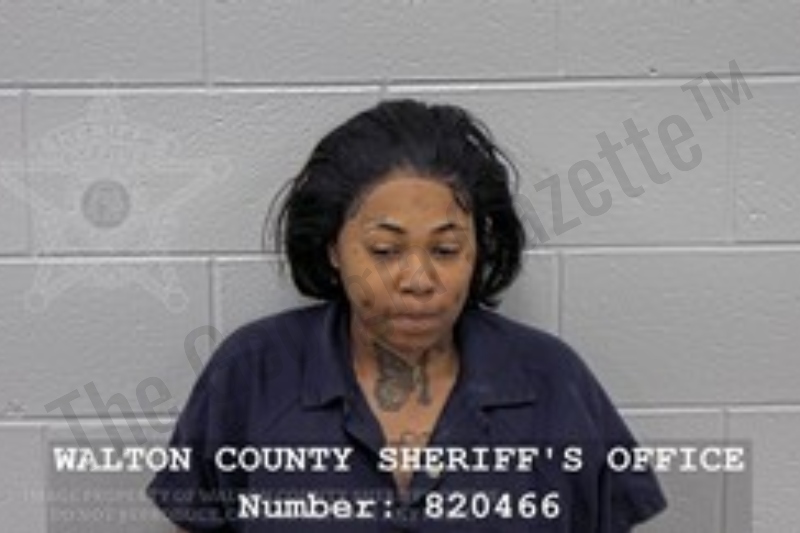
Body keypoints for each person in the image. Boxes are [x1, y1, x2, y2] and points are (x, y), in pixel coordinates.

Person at [146, 98, 668, 532]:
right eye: (384, 251)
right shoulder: (253, 371)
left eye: (445, 250)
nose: (418, 279)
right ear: (332, 248)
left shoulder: (551, 379)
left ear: (478, 251)